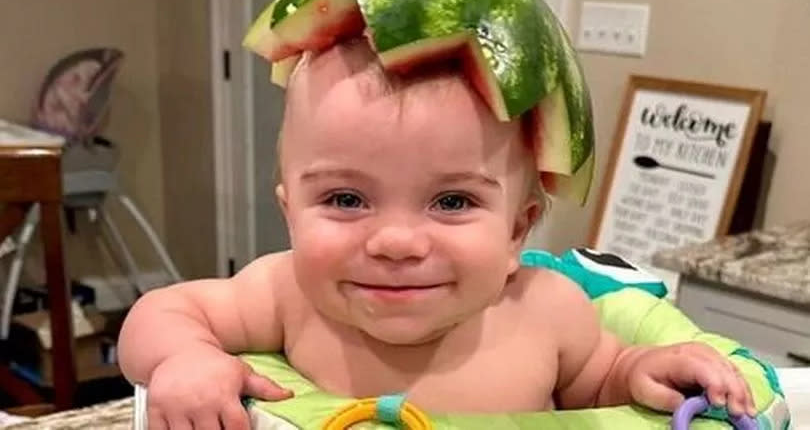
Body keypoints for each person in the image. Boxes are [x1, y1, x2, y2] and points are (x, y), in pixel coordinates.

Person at [118, 36, 756, 429]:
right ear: (291, 214)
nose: (397, 241)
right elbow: (161, 310)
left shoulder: (544, 312)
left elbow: (603, 379)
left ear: (517, 231)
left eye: (451, 201)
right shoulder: (287, 294)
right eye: (345, 198)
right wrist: (186, 357)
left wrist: (650, 367)